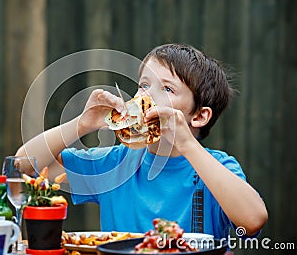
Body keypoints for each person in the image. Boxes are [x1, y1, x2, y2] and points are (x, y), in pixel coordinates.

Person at [16, 44, 268, 239]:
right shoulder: (115, 163)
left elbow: (253, 219)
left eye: (167, 89)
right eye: (144, 85)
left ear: (200, 116)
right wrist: (81, 124)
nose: (146, 95)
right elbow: (25, 164)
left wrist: (187, 145)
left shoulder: (217, 168)